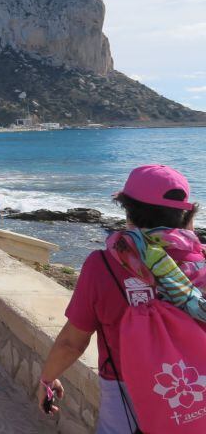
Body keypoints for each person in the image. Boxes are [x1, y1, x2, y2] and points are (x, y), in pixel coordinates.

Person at [37, 165, 202, 432]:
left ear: (128, 210)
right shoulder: (200, 264)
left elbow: (72, 342)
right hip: (195, 388)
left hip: (125, 392)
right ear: (185, 214)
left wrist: (47, 380)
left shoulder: (103, 264)